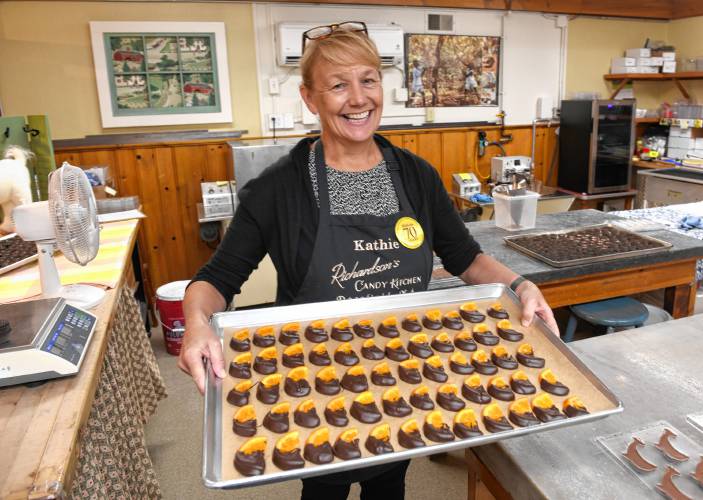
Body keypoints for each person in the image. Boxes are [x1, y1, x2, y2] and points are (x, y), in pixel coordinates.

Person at [179, 22, 558, 500]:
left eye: (369, 80)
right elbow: (217, 279)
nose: (358, 98)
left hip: (399, 368)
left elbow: (466, 258)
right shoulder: (279, 189)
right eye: (338, 85)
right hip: (314, 382)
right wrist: (196, 322)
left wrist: (521, 286)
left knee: (389, 479)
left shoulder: (416, 176)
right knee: (323, 484)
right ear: (310, 98)